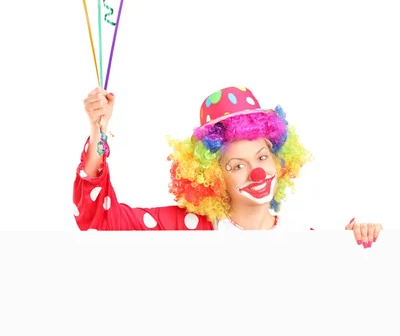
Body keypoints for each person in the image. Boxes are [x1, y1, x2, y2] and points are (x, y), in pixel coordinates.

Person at [73, 85, 382, 246]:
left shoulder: (304, 239)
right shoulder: (186, 230)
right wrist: (97, 129)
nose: (256, 172)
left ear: (278, 159)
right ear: (213, 176)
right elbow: (98, 218)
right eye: (237, 166)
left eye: (262, 158)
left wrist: (358, 241)